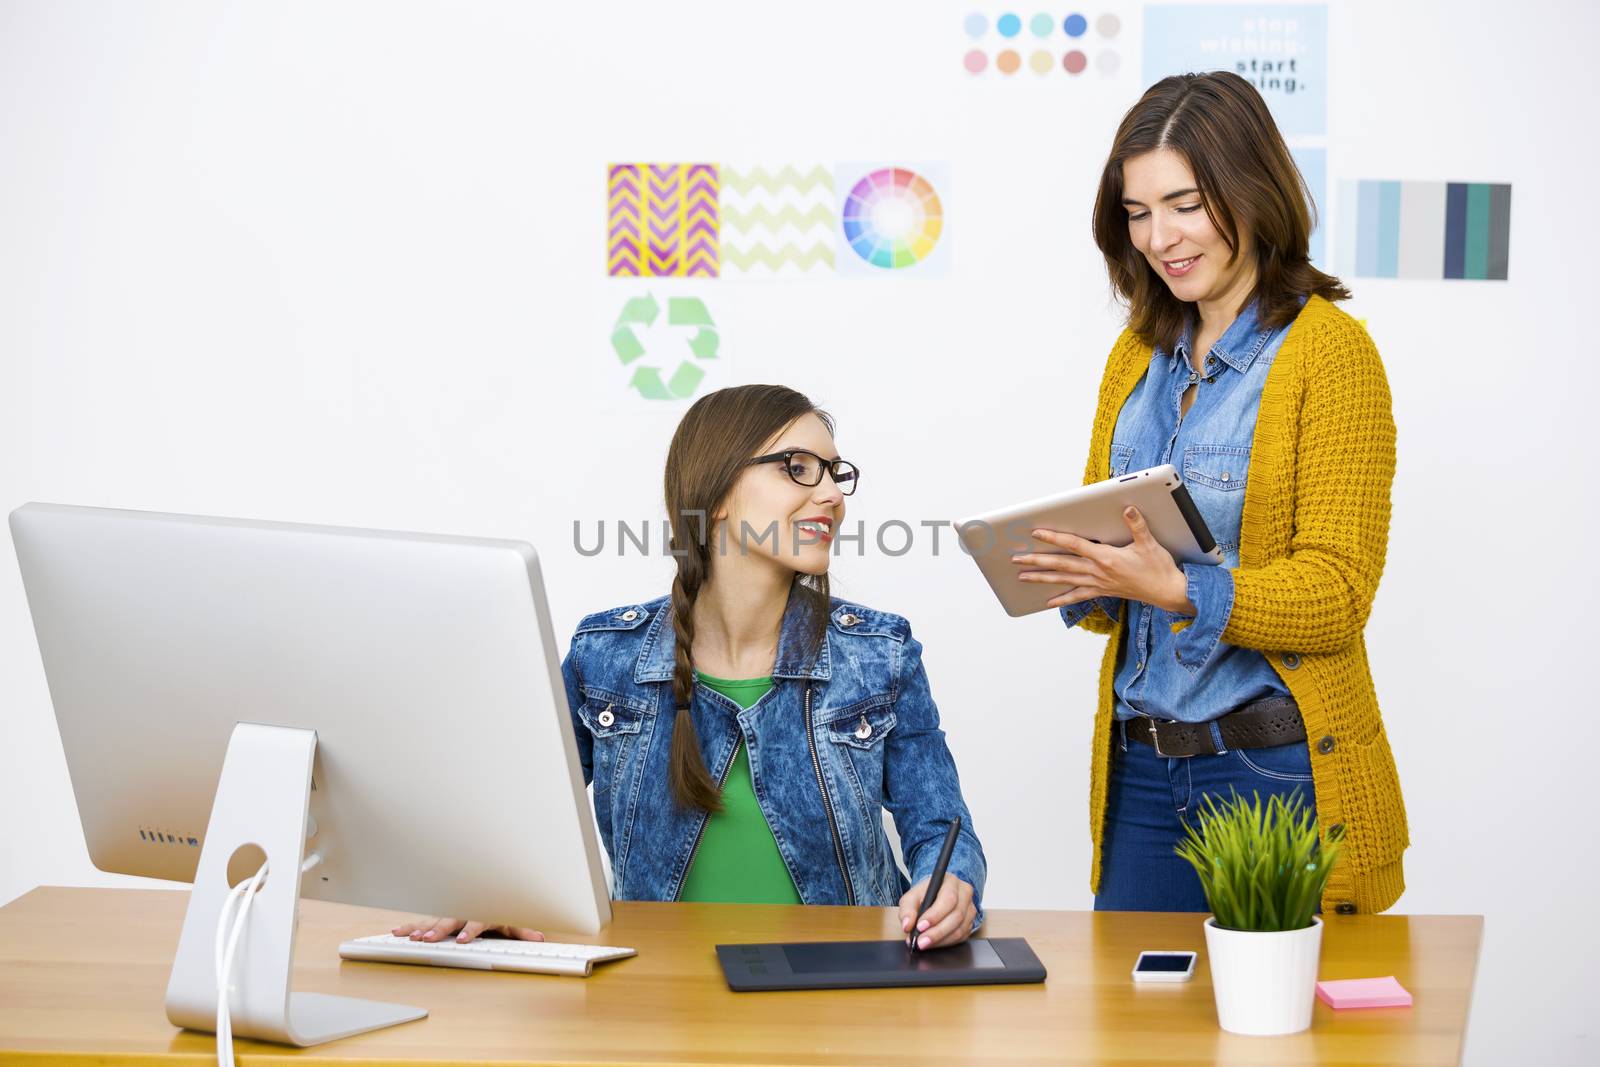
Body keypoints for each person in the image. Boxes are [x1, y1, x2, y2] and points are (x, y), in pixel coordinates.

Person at [1012, 71, 1408, 914]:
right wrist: (1083, 575)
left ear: (1250, 190)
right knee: (1136, 1036)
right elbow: (1116, 554)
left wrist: (1182, 588)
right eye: (1137, 212)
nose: (1160, 237)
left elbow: (1338, 594)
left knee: (1278, 1040)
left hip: (1272, 773)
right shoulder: (1136, 355)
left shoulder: (1328, 354)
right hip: (1141, 772)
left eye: (1185, 203)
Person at [397, 384, 986, 947]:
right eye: (799, 467)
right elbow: (525, 822)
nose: (831, 493)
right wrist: (491, 890)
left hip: (840, 998)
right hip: (656, 1000)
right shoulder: (607, 656)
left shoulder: (881, 654)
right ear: (719, 487)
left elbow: (941, 828)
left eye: (836, 472)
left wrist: (952, 884)